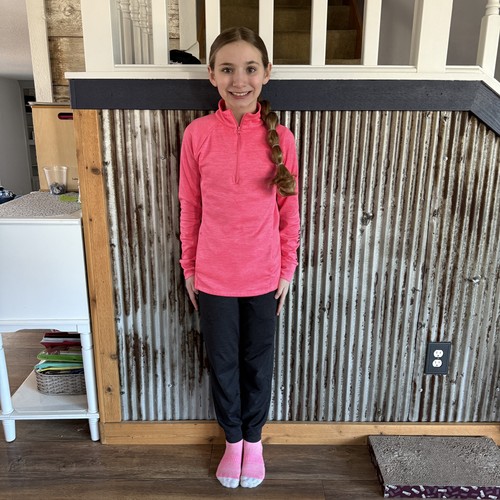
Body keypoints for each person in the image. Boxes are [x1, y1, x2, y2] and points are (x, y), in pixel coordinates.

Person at [178, 26, 300, 489]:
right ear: (212, 75)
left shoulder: (282, 138)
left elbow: (290, 212)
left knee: (257, 364)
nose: (239, 80)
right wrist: (190, 268)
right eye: (227, 69)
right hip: (213, 277)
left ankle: (254, 440)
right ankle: (233, 442)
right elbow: (190, 206)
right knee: (224, 364)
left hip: (264, 276)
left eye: (250, 68)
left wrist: (287, 268)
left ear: (266, 73)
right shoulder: (197, 134)